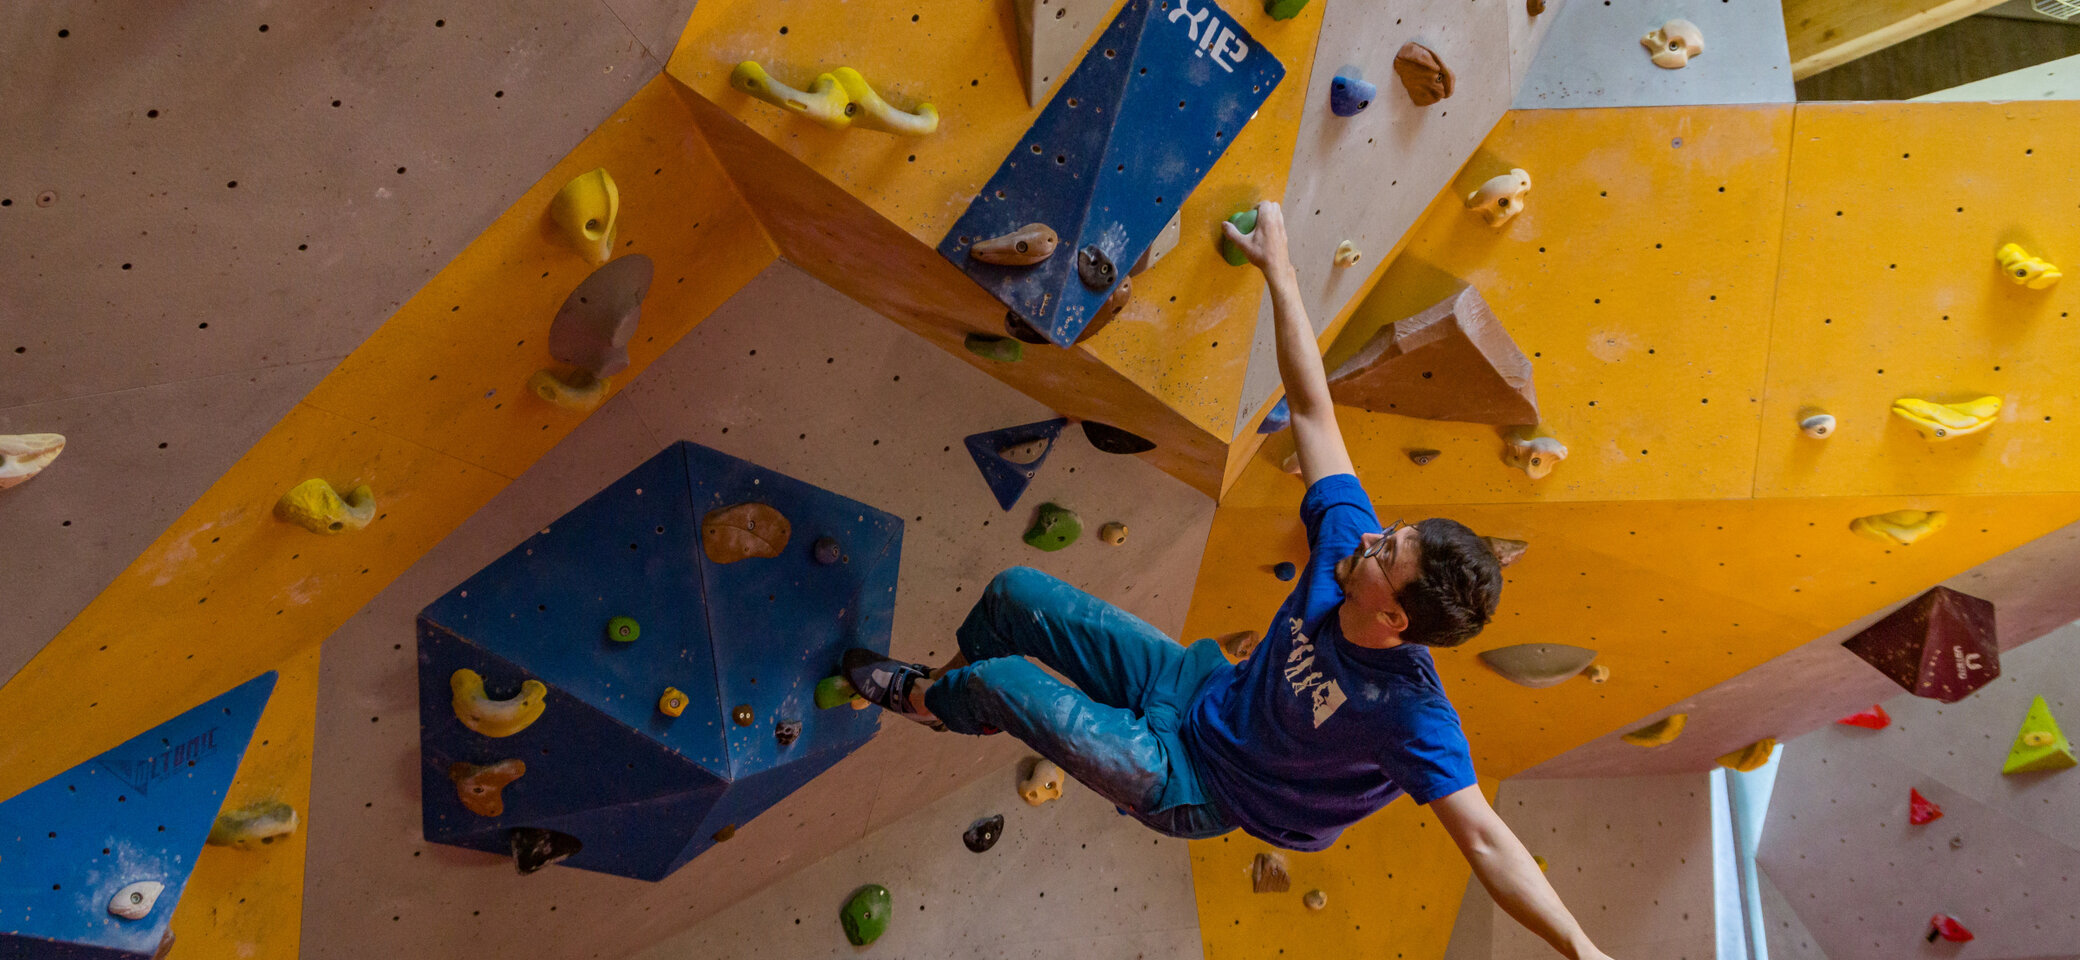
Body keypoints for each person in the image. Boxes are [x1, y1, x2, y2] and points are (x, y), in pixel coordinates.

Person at [841, 201, 1613, 960]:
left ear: (1397, 620)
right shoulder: (1351, 546)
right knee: (1013, 593)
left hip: (1197, 784)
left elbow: (1485, 841)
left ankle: (922, 699)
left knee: (1005, 682)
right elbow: (1313, 411)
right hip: (1196, 685)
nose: (1371, 539)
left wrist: (1582, 950)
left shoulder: (1410, 713)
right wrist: (1280, 273)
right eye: (1391, 533)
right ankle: (945, 694)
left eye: (1387, 557)